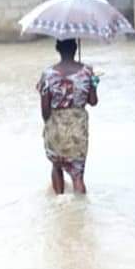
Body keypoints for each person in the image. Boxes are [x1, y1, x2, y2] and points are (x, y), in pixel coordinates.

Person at [37, 39, 99, 194]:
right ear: (76, 48)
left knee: (56, 166)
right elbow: (93, 101)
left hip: (56, 127)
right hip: (78, 128)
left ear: (57, 48)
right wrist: (94, 83)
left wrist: (52, 126)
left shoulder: (48, 75)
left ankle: (60, 203)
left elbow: (45, 112)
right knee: (78, 176)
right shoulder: (87, 71)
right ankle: (80, 212)